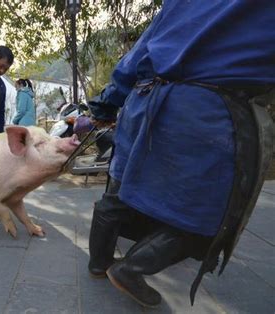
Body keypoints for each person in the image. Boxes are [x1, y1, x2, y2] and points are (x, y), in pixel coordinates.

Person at [87, 0, 274, 308]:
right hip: (205, 109)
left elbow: (141, 50)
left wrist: (108, 101)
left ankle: (98, 263)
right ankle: (131, 269)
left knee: (122, 190)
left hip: (143, 99)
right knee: (209, 215)